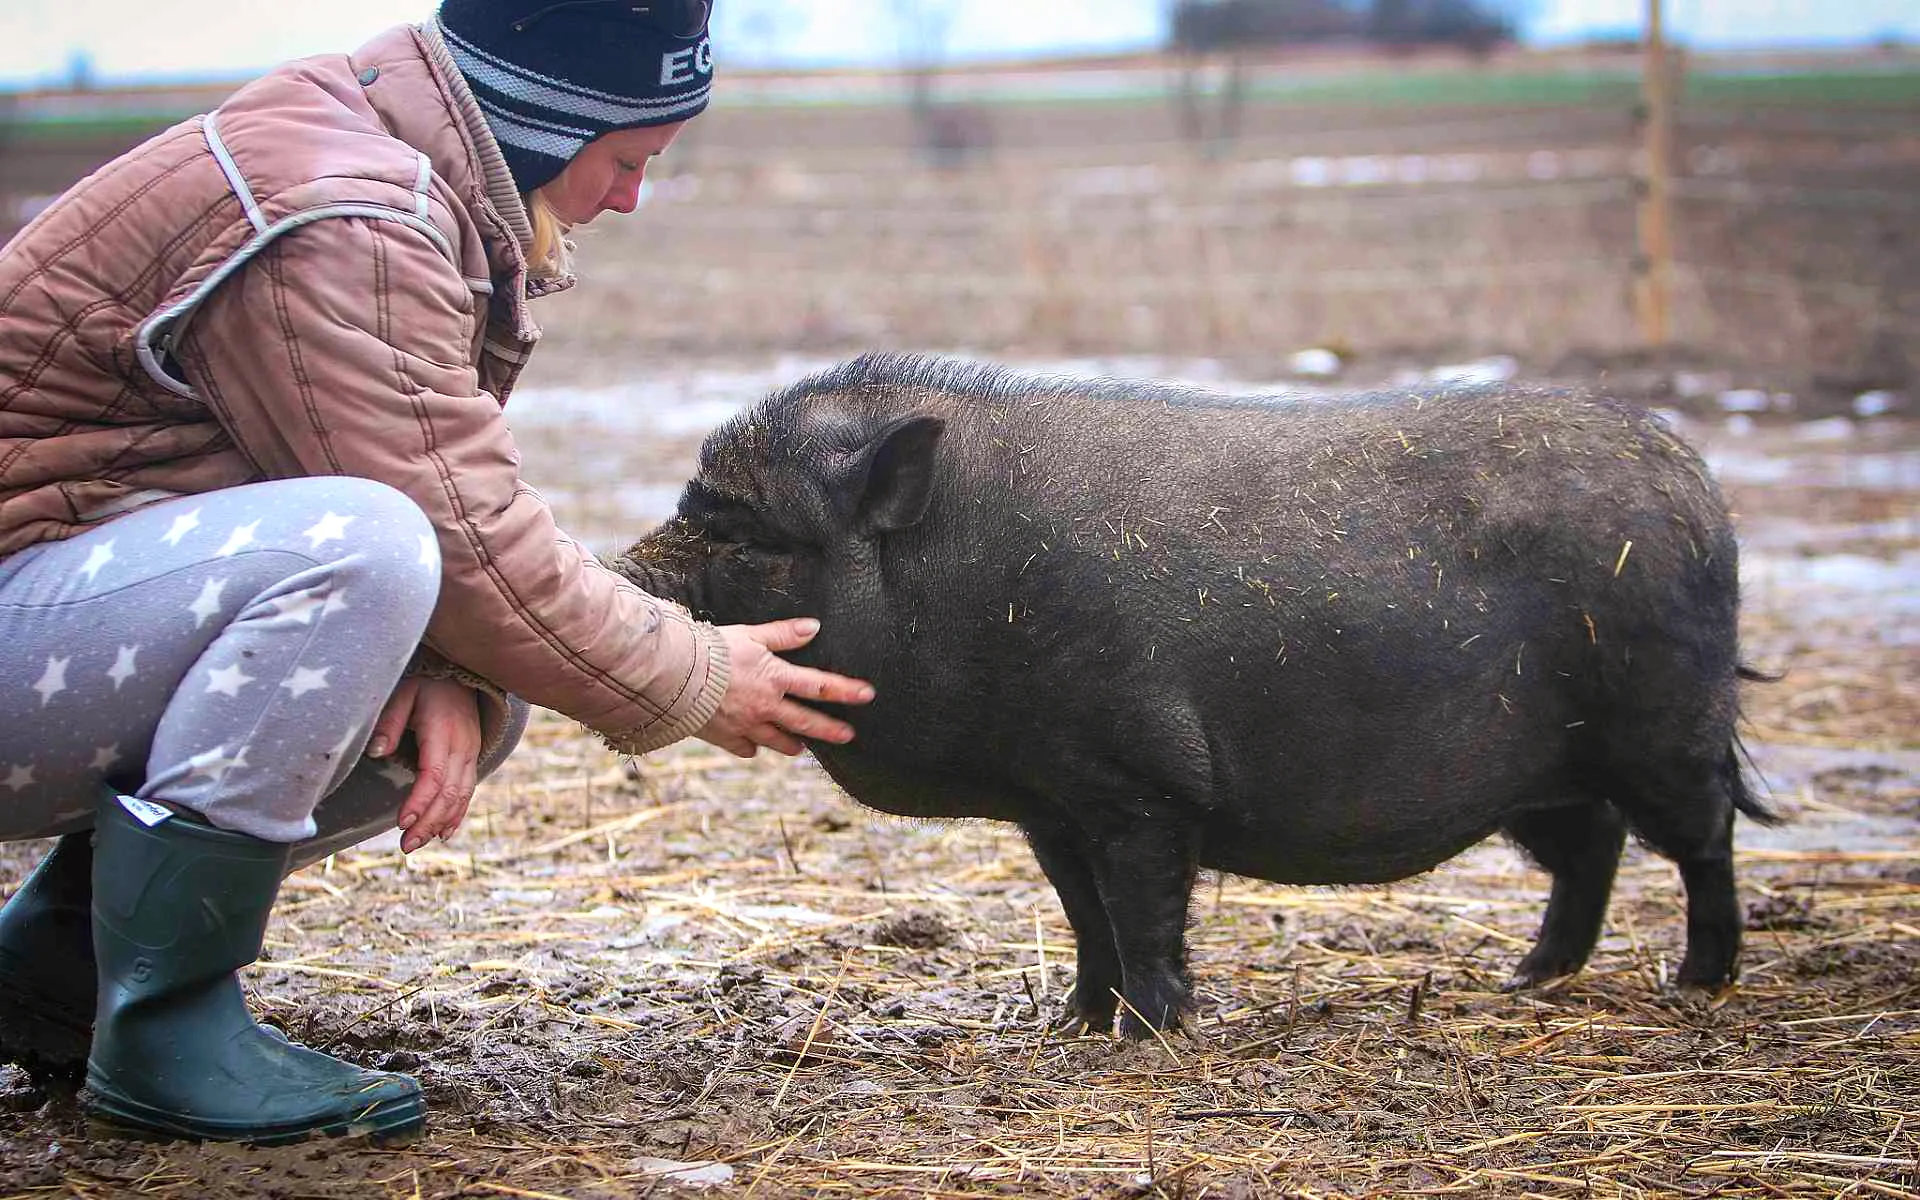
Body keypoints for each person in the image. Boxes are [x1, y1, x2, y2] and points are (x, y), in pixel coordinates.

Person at [0, 0, 873, 1145]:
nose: (627, 197)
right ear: (540, 117)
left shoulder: (376, 153)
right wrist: (693, 674)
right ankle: (166, 1031)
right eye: (624, 158)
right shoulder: (353, 214)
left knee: (444, 695)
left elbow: (389, 491)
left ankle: (58, 975)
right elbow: (451, 526)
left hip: (50, 614)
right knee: (364, 548)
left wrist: (443, 660)